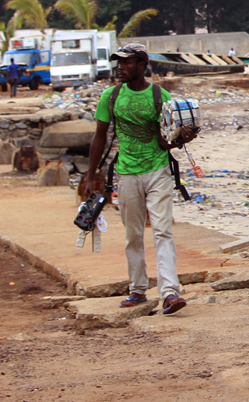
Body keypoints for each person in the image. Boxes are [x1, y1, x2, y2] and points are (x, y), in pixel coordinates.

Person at [81, 44, 197, 315]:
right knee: (132, 234)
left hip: (158, 171)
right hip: (126, 173)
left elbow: (164, 140)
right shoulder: (110, 97)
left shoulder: (160, 95)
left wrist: (182, 138)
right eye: (118, 63)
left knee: (162, 231)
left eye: (126, 62)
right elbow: (99, 137)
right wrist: (91, 175)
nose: (119, 67)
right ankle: (137, 289)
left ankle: (169, 293)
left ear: (142, 66)